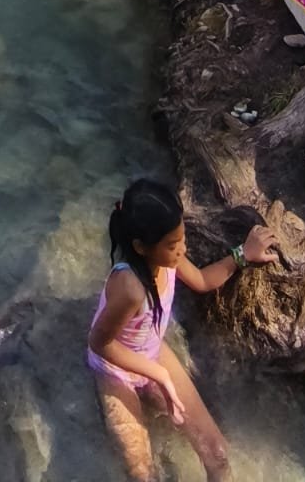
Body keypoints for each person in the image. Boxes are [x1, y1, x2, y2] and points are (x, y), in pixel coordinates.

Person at [88, 179, 277, 482]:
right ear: (141, 247)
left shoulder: (167, 259)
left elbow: (202, 280)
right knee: (142, 474)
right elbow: (100, 343)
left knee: (218, 454)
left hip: (151, 352)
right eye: (173, 244)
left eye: (182, 238)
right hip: (116, 370)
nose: (183, 249)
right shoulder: (129, 287)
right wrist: (158, 374)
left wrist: (243, 254)